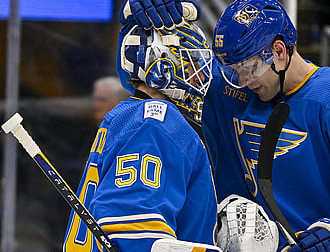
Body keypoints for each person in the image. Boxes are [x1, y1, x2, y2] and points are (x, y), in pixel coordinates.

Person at [122, 0, 330, 252]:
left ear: (279, 51)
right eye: (234, 70)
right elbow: (142, 78)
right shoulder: (226, 91)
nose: (243, 80)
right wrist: (138, 9)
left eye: (249, 66)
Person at [63, 14, 218, 250]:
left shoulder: (132, 116)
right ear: (161, 66)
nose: (199, 75)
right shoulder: (156, 121)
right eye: (189, 63)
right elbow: (134, 234)